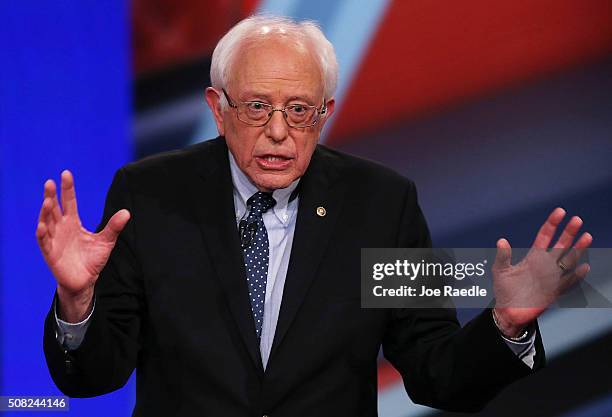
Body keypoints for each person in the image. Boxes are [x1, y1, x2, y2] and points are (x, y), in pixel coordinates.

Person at [37, 15, 592, 417]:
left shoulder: (381, 203)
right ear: (217, 108)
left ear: (324, 113)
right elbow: (93, 377)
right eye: (257, 106)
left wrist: (505, 327)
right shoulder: (149, 196)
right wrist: (78, 303)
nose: (278, 131)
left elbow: (436, 373)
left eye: (299, 110)